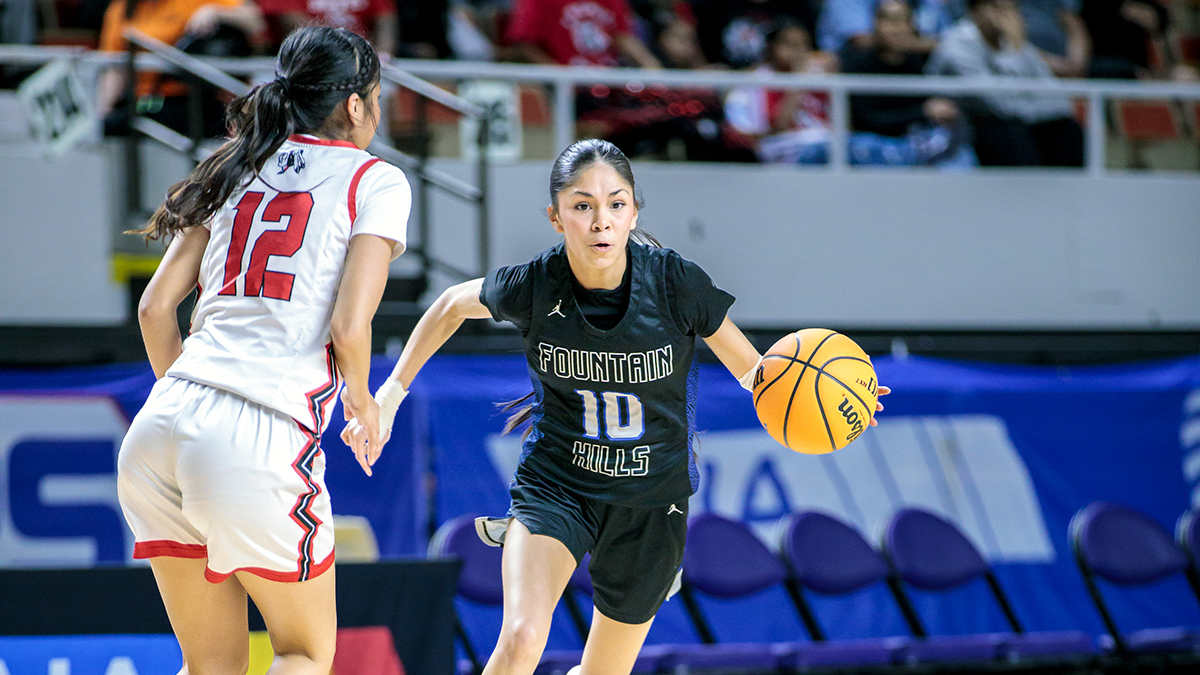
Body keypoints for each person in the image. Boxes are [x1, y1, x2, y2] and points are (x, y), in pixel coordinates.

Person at [342, 138, 889, 674]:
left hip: (652, 503)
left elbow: (757, 373)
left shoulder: (675, 284)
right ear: (556, 217)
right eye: (582, 206)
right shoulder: (535, 285)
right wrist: (389, 394)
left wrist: (850, 397)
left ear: (633, 214)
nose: (600, 221)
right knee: (521, 640)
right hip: (558, 484)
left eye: (616, 204)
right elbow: (449, 305)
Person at [116, 26, 410, 675]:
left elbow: (154, 309)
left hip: (160, 425)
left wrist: (193, 410)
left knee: (210, 664)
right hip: (259, 431)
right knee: (303, 652)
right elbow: (350, 326)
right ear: (356, 105)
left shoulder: (236, 163)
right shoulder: (376, 179)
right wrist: (363, 402)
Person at [925, 0, 1085, 166]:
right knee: (1009, 132)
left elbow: (1058, 99)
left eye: (1011, 9)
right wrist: (1016, 53)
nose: (1006, 15)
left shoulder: (1014, 42)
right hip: (967, 127)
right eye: (996, 7)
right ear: (973, 12)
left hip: (1016, 120)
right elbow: (1001, 105)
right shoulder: (957, 45)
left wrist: (1019, 48)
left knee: (1067, 128)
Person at [95, 0, 264, 137]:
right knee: (109, 126)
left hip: (190, 98)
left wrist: (214, 11)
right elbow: (114, 69)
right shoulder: (121, 8)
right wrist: (102, 112)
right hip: (142, 101)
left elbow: (255, 21)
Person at [841, 0, 975, 167]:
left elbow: (932, 108)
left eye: (903, 21)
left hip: (916, 141)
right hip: (874, 145)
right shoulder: (856, 64)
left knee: (960, 153)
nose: (896, 28)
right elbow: (866, 120)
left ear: (913, 25)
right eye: (889, 20)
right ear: (875, 23)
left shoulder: (922, 63)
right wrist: (923, 112)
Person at [724, 19, 834, 164]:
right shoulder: (757, 81)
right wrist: (799, 82)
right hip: (782, 148)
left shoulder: (818, 77)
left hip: (824, 143)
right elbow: (776, 130)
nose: (799, 51)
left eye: (804, 45)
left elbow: (839, 125)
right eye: (791, 45)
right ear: (773, 47)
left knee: (862, 146)